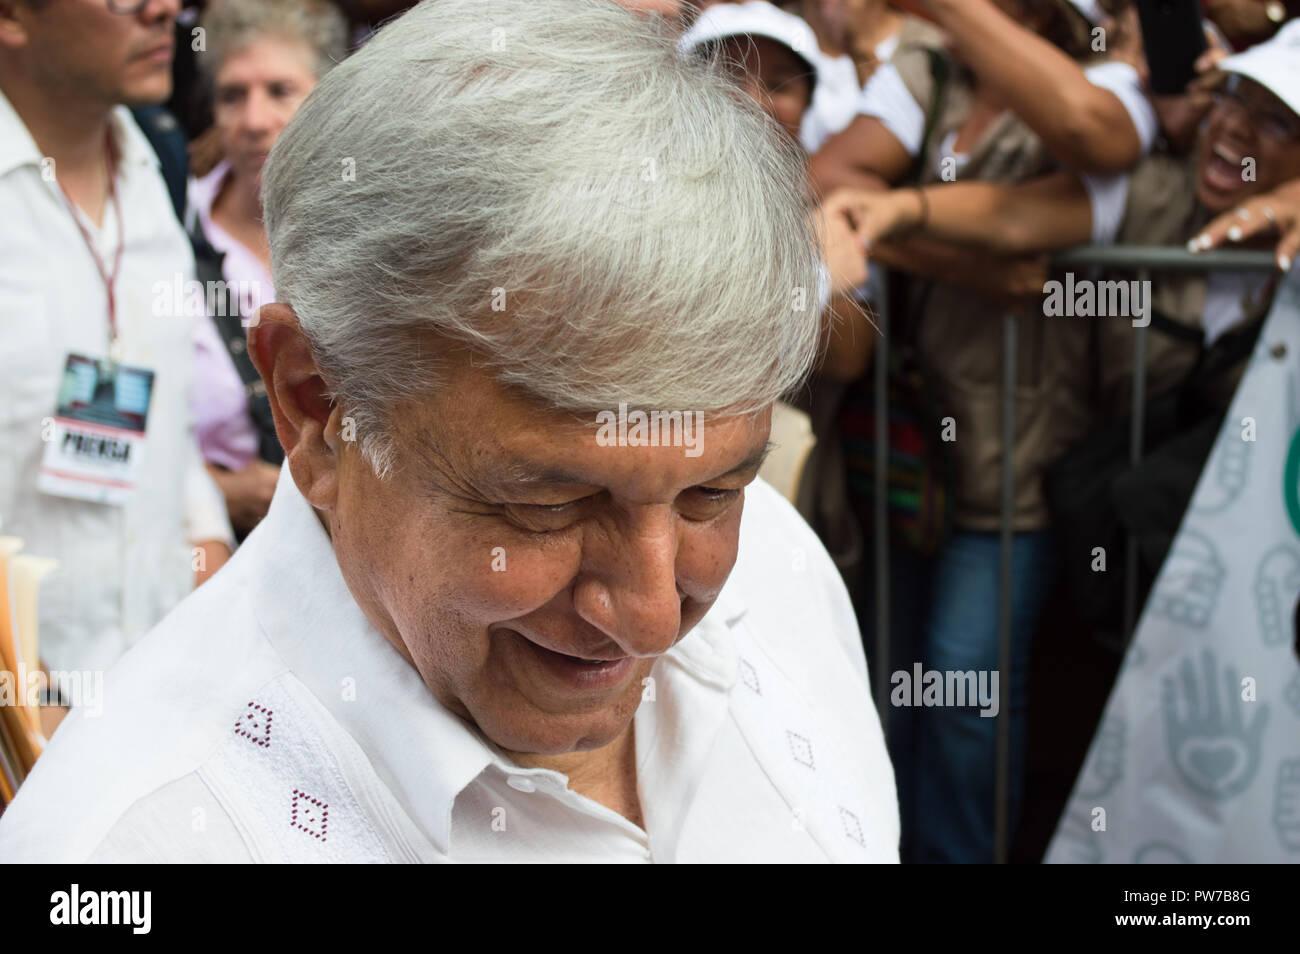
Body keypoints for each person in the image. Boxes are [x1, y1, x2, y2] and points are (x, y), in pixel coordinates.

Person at [0, 0, 898, 863]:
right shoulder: (129, 842)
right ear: (317, 406)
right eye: (553, 501)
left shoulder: (784, 568)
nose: (656, 614)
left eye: (715, 493)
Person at [0, 0, 233, 684]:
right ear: (13, 16)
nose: (161, 8)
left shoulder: (156, 161)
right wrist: (24, 697)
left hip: (159, 685)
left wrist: (208, 546)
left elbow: (167, 418)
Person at [188, 0, 349, 537]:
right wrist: (213, 490)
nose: (254, 121)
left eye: (279, 91)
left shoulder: (365, 230)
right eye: (233, 95)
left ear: (325, 100)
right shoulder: (166, 234)